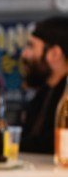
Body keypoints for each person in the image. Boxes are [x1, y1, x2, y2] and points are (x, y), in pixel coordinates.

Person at [19, 15, 68, 154]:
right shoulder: (43, 94)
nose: (24, 54)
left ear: (55, 54)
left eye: (31, 46)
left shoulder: (65, 99)